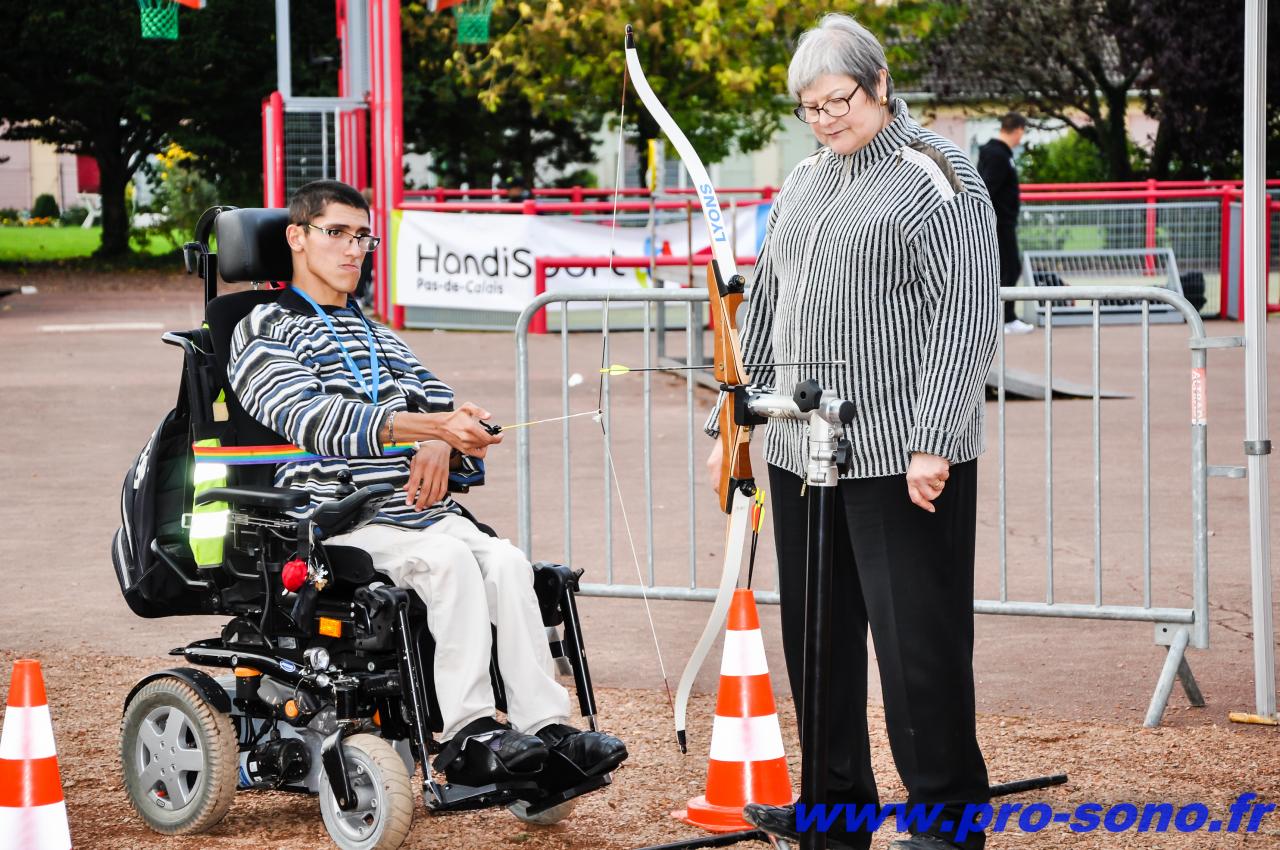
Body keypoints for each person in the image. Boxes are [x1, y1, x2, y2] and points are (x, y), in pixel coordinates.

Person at [704, 15, 998, 850]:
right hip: (804, 452)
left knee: (918, 650)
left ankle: (945, 820)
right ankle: (835, 810)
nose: (827, 118)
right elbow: (765, 304)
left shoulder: (940, 176)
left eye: (839, 100)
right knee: (819, 645)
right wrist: (736, 414)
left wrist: (935, 438)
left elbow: (966, 316)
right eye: (810, 106)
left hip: (899, 455)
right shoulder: (802, 181)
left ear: (878, 86)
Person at [227, 180, 626, 785]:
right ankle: (468, 734)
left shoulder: (377, 335)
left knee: (508, 562)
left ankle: (546, 729)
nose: (354, 249)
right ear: (296, 237)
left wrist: (445, 438)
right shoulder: (261, 329)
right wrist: (426, 426)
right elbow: (311, 417)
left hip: (415, 515)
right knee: (448, 561)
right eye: (336, 233)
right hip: (334, 516)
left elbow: (455, 416)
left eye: (362, 236)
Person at [977, 112, 1034, 335]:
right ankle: (1006, 318)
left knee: (1007, 268)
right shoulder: (999, 156)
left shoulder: (996, 153)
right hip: (999, 222)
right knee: (1009, 268)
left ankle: (1004, 318)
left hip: (1000, 221)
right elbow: (988, 189)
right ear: (1018, 129)